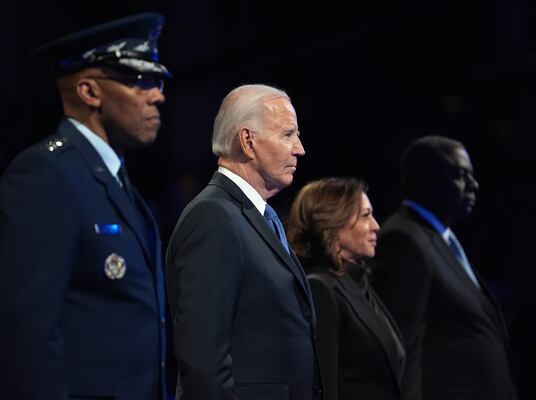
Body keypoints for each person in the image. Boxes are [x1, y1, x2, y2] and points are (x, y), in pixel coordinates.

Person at [0, 13, 170, 399]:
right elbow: (26, 331)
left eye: (156, 81)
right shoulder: (46, 174)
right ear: (90, 93)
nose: (157, 93)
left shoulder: (113, 177)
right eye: (137, 80)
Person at [165, 84, 322, 400]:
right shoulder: (213, 216)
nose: (300, 148)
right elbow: (203, 358)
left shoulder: (262, 215)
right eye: (288, 135)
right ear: (248, 141)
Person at [372, 135, 517, 400]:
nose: (473, 185)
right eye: (461, 174)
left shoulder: (438, 237)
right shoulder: (403, 240)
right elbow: (402, 343)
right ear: (427, 178)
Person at [287, 177, 406, 400]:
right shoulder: (321, 288)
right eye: (365, 216)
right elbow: (325, 387)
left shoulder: (359, 284)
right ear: (333, 227)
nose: (376, 226)